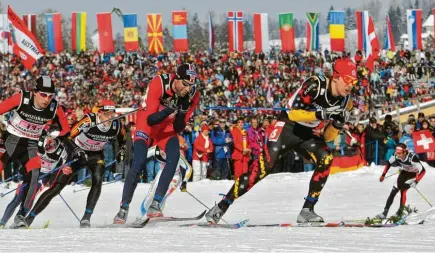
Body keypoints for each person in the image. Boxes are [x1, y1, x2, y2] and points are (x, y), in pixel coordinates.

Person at [205, 58, 357, 224]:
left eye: (354, 82)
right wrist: (320, 115)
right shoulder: (315, 85)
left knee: (326, 158)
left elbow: (328, 137)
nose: (351, 86)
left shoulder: (345, 102)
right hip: (288, 126)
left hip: (307, 132)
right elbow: (294, 113)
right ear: (336, 77)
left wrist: (337, 124)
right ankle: (221, 206)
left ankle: (308, 210)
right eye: (348, 80)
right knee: (263, 168)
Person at [0, 76, 70, 222]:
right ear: (35, 92)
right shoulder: (21, 99)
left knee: (34, 176)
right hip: (9, 142)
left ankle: (21, 215)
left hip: (30, 146)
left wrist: (54, 138)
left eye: (50, 96)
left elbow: (66, 129)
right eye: (43, 95)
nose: (47, 99)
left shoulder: (53, 107)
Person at [114, 63, 200, 224]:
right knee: (138, 162)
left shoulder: (193, 95)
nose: (188, 89)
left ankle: (155, 203)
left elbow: (178, 127)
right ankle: (123, 208)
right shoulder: (159, 82)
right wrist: (169, 109)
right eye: (186, 84)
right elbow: (151, 119)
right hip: (147, 123)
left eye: (192, 85)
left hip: (166, 127)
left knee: (174, 158)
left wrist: (181, 113)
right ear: (176, 78)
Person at [24, 99, 124, 228]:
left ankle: (86, 218)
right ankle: (30, 217)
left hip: (96, 155)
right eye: (107, 114)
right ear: (99, 113)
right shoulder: (89, 121)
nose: (110, 117)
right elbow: (68, 137)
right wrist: (77, 150)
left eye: (112, 114)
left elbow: (122, 138)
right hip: (77, 153)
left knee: (98, 179)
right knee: (56, 188)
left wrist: (122, 149)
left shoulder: (116, 124)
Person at [0, 127, 69, 228]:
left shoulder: (62, 151)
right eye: (48, 138)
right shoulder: (39, 142)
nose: (49, 142)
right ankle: (2, 223)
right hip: (31, 173)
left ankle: (18, 221)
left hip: (42, 177)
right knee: (18, 198)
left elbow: (63, 165)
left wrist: (63, 168)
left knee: (30, 198)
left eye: (52, 139)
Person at [375, 143, 426, 219]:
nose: (398, 155)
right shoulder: (395, 154)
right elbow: (389, 163)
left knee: (403, 190)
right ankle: (384, 213)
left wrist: (416, 181)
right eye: (397, 153)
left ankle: (400, 213)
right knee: (393, 192)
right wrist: (383, 175)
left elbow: (423, 170)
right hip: (404, 173)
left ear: (405, 152)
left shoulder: (412, 158)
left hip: (412, 175)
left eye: (400, 153)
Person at [140, 145, 192, 216]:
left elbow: (188, 168)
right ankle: (142, 214)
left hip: (175, 175)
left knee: (163, 194)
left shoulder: (176, 154)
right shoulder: (155, 150)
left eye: (165, 150)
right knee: (151, 194)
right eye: (161, 149)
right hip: (162, 172)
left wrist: (184, 181)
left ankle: (156, 211)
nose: (162, 152)